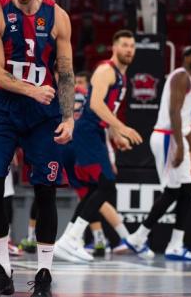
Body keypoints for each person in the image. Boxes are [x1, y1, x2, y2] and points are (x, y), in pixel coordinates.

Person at [0, 0, 75, 297]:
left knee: (45, 191)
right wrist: (32, 90)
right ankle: (2, 270)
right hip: (4, 109)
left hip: (43, 115)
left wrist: (68, 117)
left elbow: (65, 71)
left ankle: (44, 276)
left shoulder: (58, 16)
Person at [54, 29, 144, 263]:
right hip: (87, 132)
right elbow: (95, 105)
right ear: (114, 47)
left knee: (96, 188)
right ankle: (71, 238)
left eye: (132, 46)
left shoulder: (122, 76)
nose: (129, 50)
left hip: (96, 131)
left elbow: (107, 111)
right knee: (105, 185)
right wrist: (122, 128)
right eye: (124, 45)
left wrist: (116, 135)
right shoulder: (106, 70)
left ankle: (69, 239)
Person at [126, 46, 191, 261]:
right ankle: (139, 237)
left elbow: (186, 121)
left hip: (174, 137)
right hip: (169, 137)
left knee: (187, 191)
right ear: (186, 58)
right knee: (172, 191)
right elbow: (174, 112)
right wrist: (180, 145)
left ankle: (174, 244)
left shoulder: (187, 79)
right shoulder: (181, 76)